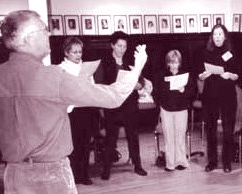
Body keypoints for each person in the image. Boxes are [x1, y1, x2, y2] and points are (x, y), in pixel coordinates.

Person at [0, 10, 147, 194]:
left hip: (14, 175)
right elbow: (112, 97)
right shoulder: (52, 76)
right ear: (28, 38)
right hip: (51, 176)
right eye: (44, 30)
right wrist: (137, 68)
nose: (49, 34)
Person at [94, 31, 148, 180]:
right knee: (111, 138)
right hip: (113, 104)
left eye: (124, 46)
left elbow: (141, 80)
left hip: (130, 104)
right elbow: (100, 83)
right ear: (112, 45)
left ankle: (138, 165)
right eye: (119, 45)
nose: (122, 49)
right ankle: (106, 169)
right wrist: (114, 86)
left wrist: (139, 85)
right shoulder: (104, 62)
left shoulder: (130, 61)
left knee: (133, 135)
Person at [198, 24, 239, 173]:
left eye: (220, 34)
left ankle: (227, 162)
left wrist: (230, 75)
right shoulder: (206, 52)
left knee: (228, 130)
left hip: (228, 94)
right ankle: (212, 162)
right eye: (215, 34)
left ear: (225, 36)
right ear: (211, 36)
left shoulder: (232, 52)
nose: (217, 37)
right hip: (210, 95)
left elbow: (238, 74)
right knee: (211, 130)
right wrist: (202, 76)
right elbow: (199, 72)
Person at [58, 37, 97, 185]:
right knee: (73, 145)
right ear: (67, 53)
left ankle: (84, 174)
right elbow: (61, 91)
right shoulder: (61, 68)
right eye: (74, 52)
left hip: (85, 109)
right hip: (71, 111)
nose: (78, 55)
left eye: (80, 52)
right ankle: (73, 175)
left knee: (86, 144)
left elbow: (92, 87)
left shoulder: (86, 68)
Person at [153, 50, 195, 172]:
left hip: (181, 109)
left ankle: (181, 161)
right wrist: (160, 105)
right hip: (166, 109)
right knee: (169, 137)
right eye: (171, 62)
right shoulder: (162, 75)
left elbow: (192, 92)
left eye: (176, 62)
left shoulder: (185, 75)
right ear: (168, 63)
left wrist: (184, 90)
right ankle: (170, 163)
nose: (174, 65)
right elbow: (157, 92)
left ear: (179, 63)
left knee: (180, 136)